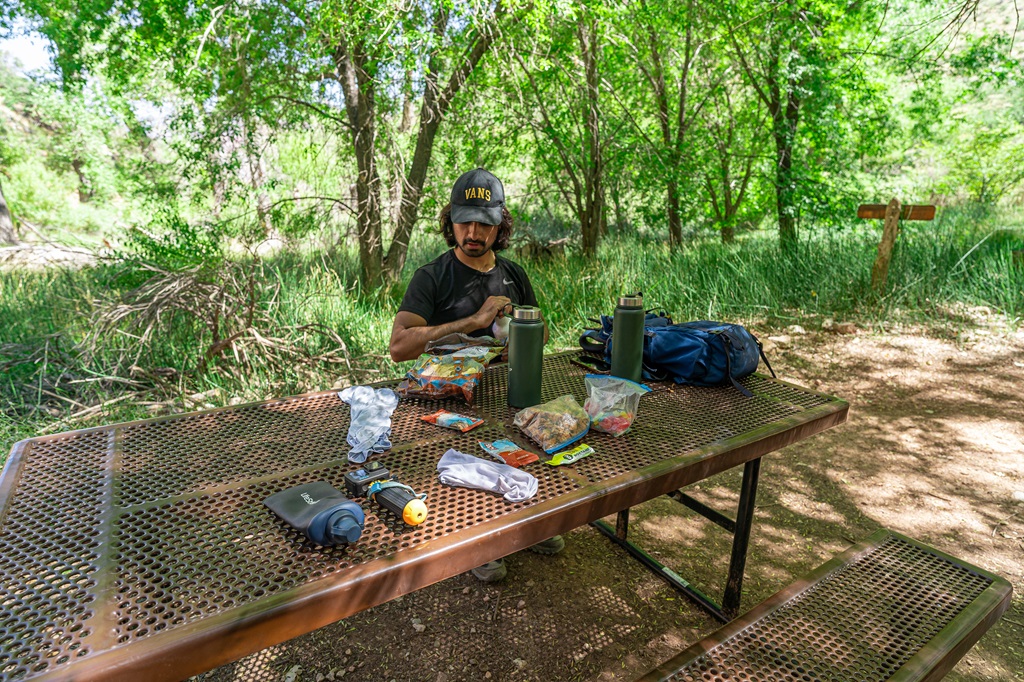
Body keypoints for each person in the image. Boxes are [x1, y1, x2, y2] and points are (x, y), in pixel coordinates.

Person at [389, 168, 563, 582]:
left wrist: (518, 327)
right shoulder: (432, 277)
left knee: (525, 448)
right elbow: (399, 347)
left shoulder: (514, 275)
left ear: (499, 225)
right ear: (450, 221)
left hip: (507, 389)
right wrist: (471, 321)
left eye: (484, 222)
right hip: (446, 401)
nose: (473, 231)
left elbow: (541, 336)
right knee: (466, 467)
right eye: (464, 220)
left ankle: (527, 523)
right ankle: (479, 540)